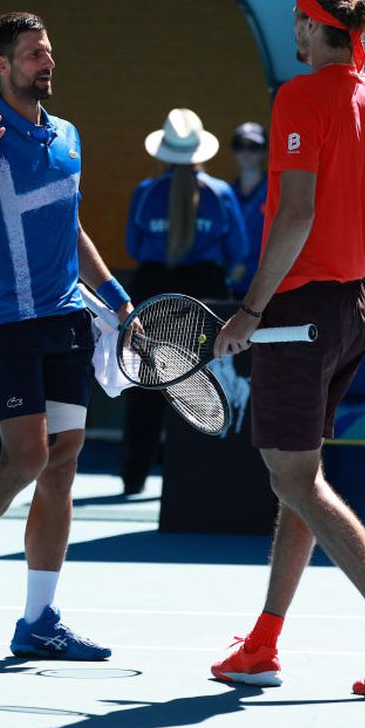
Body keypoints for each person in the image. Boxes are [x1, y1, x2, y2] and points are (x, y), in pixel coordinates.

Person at [211, 0, 365, 695]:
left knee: (294, 479)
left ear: (317, 26)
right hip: (351, 314)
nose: (294, 33)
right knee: (298, 481)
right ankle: (263, 644)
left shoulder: (299, 97)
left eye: (298, 22)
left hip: (298, 314)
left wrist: (250, 311)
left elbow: (295, 216)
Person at [0, 12, 132, 660]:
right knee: (27, 458)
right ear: (1, 67)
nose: (48, 61)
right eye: (34, 53)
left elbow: (71, 226)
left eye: (49, 50)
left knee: (62, 460)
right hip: (10, 322)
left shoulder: (68, 137)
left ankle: (39, 620)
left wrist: (116, 296)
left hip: (67, 319)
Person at [121, 108, 248, 495]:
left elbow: (132, 246)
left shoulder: (145, 193)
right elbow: (238, 251)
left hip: (152, 291)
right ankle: (199, 478)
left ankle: (134, 475)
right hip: (204, 292)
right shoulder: (221, 193)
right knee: (202, 382)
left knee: (145, 385)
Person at [227, 121, 268, 298]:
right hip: (231, 289)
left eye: (253, 147)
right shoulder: (225, 193)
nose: (246, 152)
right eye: (240, 146)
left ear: (265, 151)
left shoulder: (278, 192)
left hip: (269, 287)